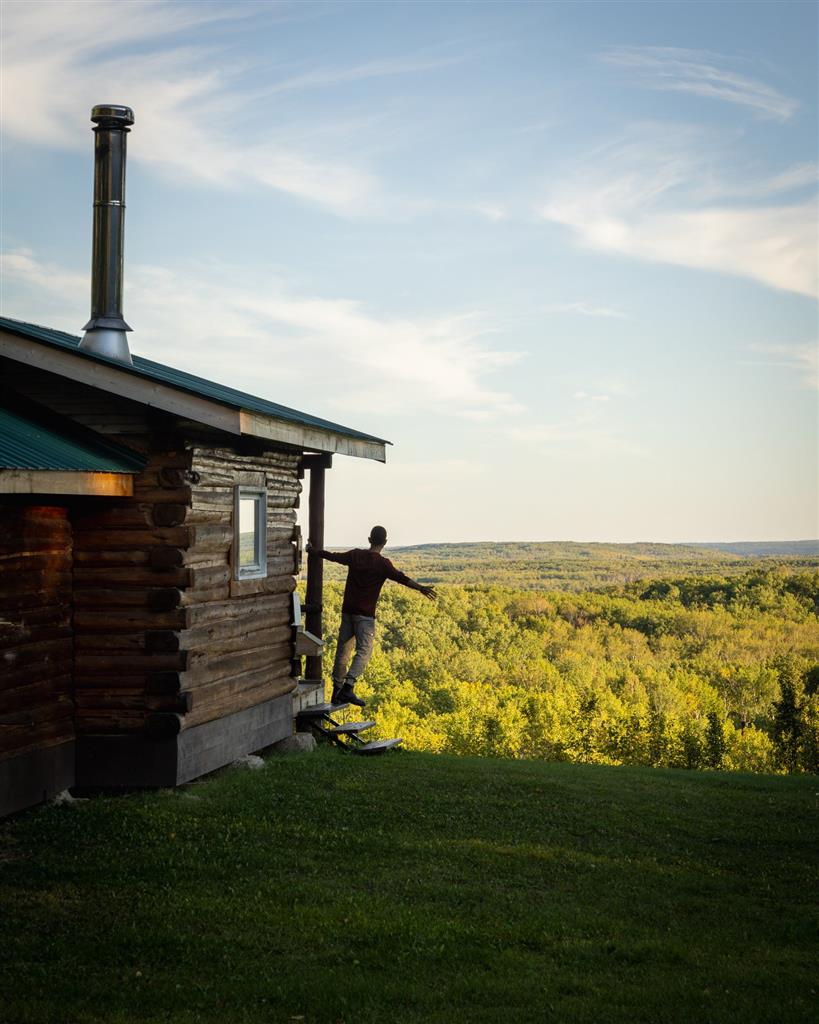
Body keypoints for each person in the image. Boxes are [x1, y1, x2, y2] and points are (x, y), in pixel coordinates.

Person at [305, 526, 436, 707]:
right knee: (364, 651)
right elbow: (402, 578)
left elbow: (333, 556)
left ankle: (337, 691)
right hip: (365, 617)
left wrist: (312, 551)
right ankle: (348, 687)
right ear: (385, 543)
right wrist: (421, 588)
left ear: (369, 539)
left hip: (348, 611)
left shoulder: (355, 555)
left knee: (343, 652)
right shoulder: (383, 564)